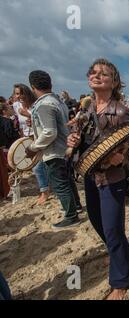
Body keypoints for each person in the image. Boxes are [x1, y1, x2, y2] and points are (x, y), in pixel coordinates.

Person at [67, 58, 129, 300]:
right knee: (96, 220)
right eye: (93, 73)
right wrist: (73, 144)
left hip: (112, 178)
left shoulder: (121, 111)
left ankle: (121, 281)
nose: (97, 76)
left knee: (112, 228)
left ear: (114, 81)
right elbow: (82, 142)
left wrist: (123, 158)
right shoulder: (86, 110)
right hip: (90, 175)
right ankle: (116, 251)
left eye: (104, 74)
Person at [25, 71, 80, 227]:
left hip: (54, 150)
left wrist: (33, 147)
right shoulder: (59, 101)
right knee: (68, 180)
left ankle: (71, 216)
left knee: (60, 183)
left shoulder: (44, 104)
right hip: (65, 147)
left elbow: (49, 131)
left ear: (33, 87)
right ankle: (75, 206)